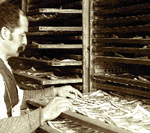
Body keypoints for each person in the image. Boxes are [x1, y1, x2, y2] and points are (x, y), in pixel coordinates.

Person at [0, 1, 82, 133]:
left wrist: (54, 92)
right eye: (22, 35)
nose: (25, 41)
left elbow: (17, 97)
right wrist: (44, 114)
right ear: (5, 33)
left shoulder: (3, 65)